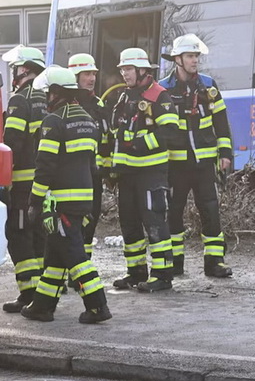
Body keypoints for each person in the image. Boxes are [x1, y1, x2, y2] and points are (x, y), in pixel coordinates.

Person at [19, 67, 111, 324]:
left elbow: (44, 167)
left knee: (74, 255)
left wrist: (34, 202)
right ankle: (42, 306)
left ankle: (97, 306)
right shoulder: (86, 118)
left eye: (48, 93)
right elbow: (91, 164)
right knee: (55, 256)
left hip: (61, 201)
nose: (46, 98)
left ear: (57, 93)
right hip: (84, 198)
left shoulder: (54, 121)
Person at [159, 34, 234, 278]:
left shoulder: (208, 86)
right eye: (190, 56)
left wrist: (225, 153)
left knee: (210, 211)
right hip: (175, 165)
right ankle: (175, 262)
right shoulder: (163, 89)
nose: (195, 61)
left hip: (203, 164)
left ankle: (215, 262)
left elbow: (221, 123)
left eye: (196, 56)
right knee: (173, 213)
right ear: (177, 59)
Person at [106, 48, 179, 292]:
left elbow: (170, 131)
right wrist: (113, 168)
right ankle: (136, 272)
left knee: (154, 220)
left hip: (151, 173)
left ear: (142, 71)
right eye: (123, 70)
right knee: (129, 223)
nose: (124, 74)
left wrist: (140, 144)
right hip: (127, 174)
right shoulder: (125, 97)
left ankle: (162, 275)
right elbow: (118, 133)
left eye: (128, 69)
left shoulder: (160, 96)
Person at [1, 46, 49, 313]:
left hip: (21, 183)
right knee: (40, 234)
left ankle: (28, 292)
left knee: (18, 234)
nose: (14, 74)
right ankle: (43, 291)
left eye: (16, 68)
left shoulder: (20, 100)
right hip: (45, 182)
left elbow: (13, 143)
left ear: (26, 69)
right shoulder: (48, 97)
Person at [68, 52, 107, 263]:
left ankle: (84, 266)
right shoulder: (65, 105)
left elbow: (107, 139)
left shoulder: (98, 104)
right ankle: (73, 265)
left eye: (93, 74)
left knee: (91, 219)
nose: (92, 78)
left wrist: (108, 170)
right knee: (73, 221)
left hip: (94, 176)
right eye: (86, 74)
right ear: (75, 77)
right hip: (71, 176)